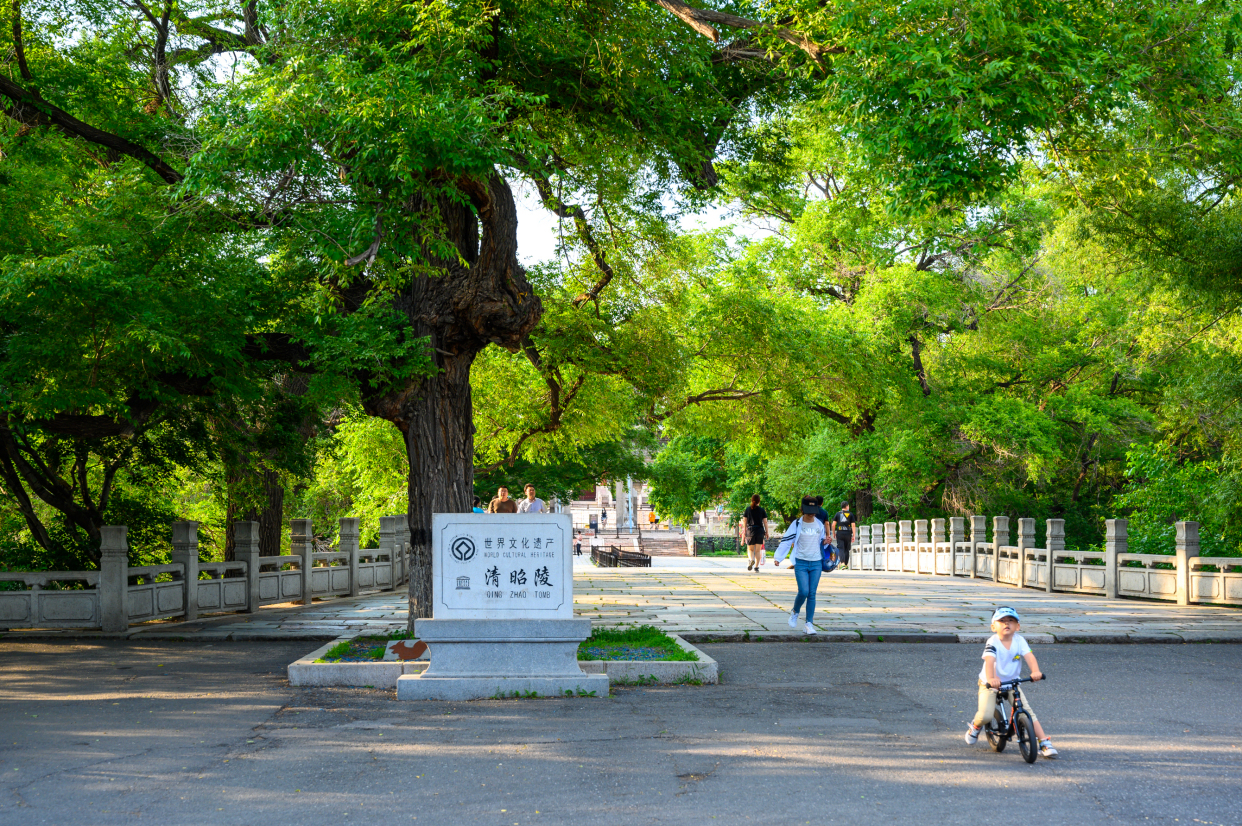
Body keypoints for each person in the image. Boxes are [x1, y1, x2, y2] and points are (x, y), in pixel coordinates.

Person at [964, 607, 1059, 758]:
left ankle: (1043, 742)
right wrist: (991, 679)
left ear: (1018, 626)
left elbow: (1029, 657)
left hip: (1012, 683)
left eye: (1011, 621)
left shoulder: (1019, 640)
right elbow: (990, 661)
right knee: (985, 715)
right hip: (990, 683)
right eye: (1001, 621)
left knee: (1028, 712)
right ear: (993, 627)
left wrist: (1035, 671)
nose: (1006, 624)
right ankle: (975, 727)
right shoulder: (993, 641)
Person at [774, 496, 827, 635]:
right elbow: (786, 541)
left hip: (816, 562)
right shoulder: (797, 524)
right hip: (801, 562)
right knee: (803, 591)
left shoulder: (819, 525)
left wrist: (827, 540)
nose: (811, 513)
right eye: (808, 510)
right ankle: (795, 611)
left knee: (812, 594)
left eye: (813, 510)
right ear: (803, 509)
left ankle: (809, 623)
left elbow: (822, 542)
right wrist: (778, 558)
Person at [740, 494, 768, 572]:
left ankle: (751, 560)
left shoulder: (748, 509)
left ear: (752, 500)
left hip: (750, 530)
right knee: (758, 551)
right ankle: (756, 567)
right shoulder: (762, 510)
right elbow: (765, 522)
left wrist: (744, 533)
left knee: (750, 549)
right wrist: (767, 533)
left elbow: (744, 521)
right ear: (759, 501)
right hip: (759, 531)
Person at [830, 501, 856, 569]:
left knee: (841, 548)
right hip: (848, 533)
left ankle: (843, 563)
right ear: (847, 506)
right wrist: (854, 535)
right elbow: (853, 525)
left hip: (840, 533)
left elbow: (833, 525)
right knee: (847, 549)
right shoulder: (851, 514)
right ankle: (846, 564)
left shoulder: (838, 514)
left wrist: (833, 533)